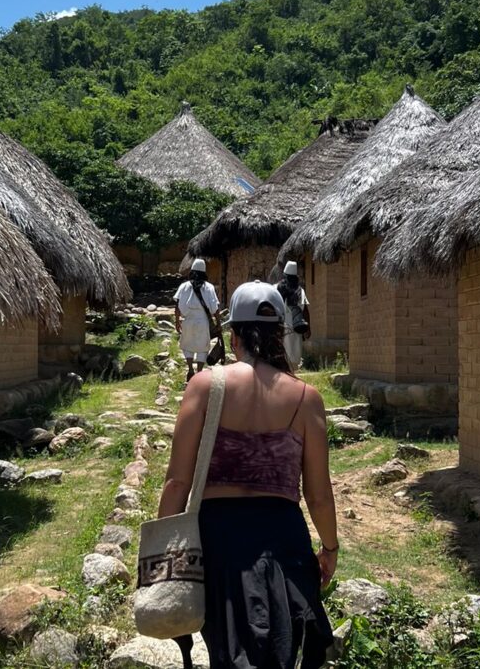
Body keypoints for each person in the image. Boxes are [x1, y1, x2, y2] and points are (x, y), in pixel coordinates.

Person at [158, 281, 338, 669]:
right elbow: (319, 495)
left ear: (233, 335)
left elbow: (177, 482)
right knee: (282, 653)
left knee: (225, 652)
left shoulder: (205, 386)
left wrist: (161, 555)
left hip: (218, 544)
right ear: (280, 335)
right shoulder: (307, 398)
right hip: (283, 544)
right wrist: (330, 548)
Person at [174, 259, 221, 382]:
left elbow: (177, 305)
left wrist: (177, 321)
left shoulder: (184, 286)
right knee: (203, 347)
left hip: (188, 321)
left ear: (192, 271)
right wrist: (218, 324)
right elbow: (215, 308)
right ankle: (199, 372)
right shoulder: (209, 287)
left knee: (187, 345)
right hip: (203, 321)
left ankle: (190, 369)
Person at [276, 261, 311, 369]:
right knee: (294, 358)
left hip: (281, 327)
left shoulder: (277, 289)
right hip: (297, 327)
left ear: (284, 275)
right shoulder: (300, 291)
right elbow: (305, 310)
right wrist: (308, 328)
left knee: (282, 356)